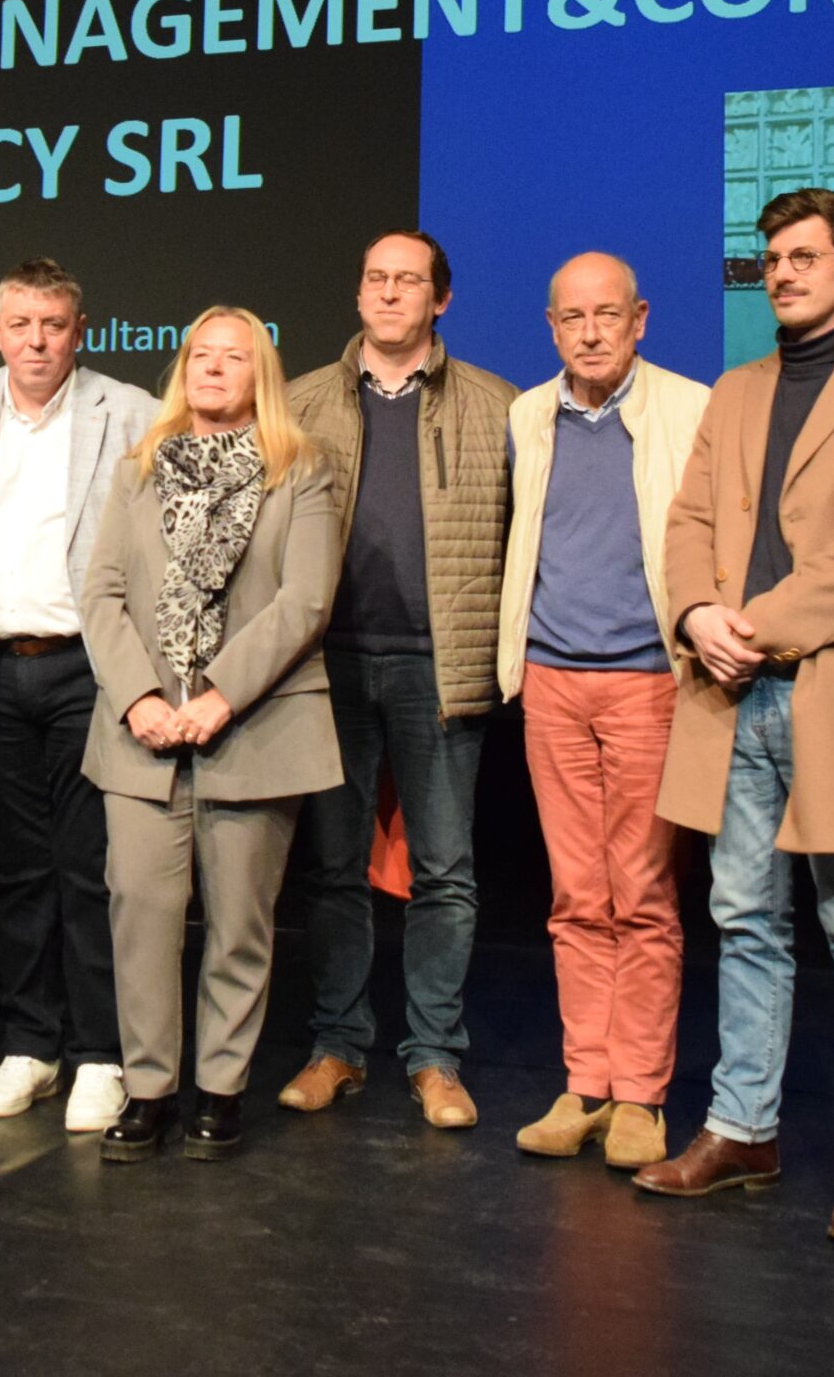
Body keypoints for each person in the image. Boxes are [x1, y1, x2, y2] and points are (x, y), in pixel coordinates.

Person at [633, 188, 834, 1250]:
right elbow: (686, 522)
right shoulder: (737, 389)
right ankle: (742, 1130)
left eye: (806, 256)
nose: (784, 272)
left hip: (833, 684)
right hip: (729, 690)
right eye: (772, 258)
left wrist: (745, 626)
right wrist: (691, 612)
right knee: (743, 919)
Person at [84, 308, 343, 1164]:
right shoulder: (137, 469)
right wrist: (141, 698)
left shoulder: (298, 470)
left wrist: (220, 695)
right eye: (202, 354)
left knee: (239, 923)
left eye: (235, 357)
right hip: (144, 734)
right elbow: (103, 595)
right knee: (144, 915)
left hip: (256, 726)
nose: (214, 368)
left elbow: (304, 601)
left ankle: (219, 1090)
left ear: (259, 372)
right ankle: (148, 1087)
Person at [279, 231, 515, 1130]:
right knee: (334, 868)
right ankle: (337, 1046)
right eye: (375, 278)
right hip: (327, 664)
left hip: (440, 667)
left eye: (407, 281)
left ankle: (434, 1058)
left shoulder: (498, 406)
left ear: (440, 300)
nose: (388, 294)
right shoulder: (299, 403)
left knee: (445, 873)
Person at [0, 259, 158, 1132]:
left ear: (79, 327)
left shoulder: (128, 410)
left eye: (52, 324)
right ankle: (30, 1043)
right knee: (12, 871)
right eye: (20, 324)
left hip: (86, 668)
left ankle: (101, 1054)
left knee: (89, 871)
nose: (36, 340)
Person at [498, 253, 709, 1170]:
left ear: (640, 319)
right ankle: (585, 1082)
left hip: (648, 682)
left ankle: (643, 1098)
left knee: (647, 898)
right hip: (551, 679)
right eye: (572, 317)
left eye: (607, 314)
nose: (589, 331)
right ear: (551, 327)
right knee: (577, 897)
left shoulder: (692, 409)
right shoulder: (527, 414)